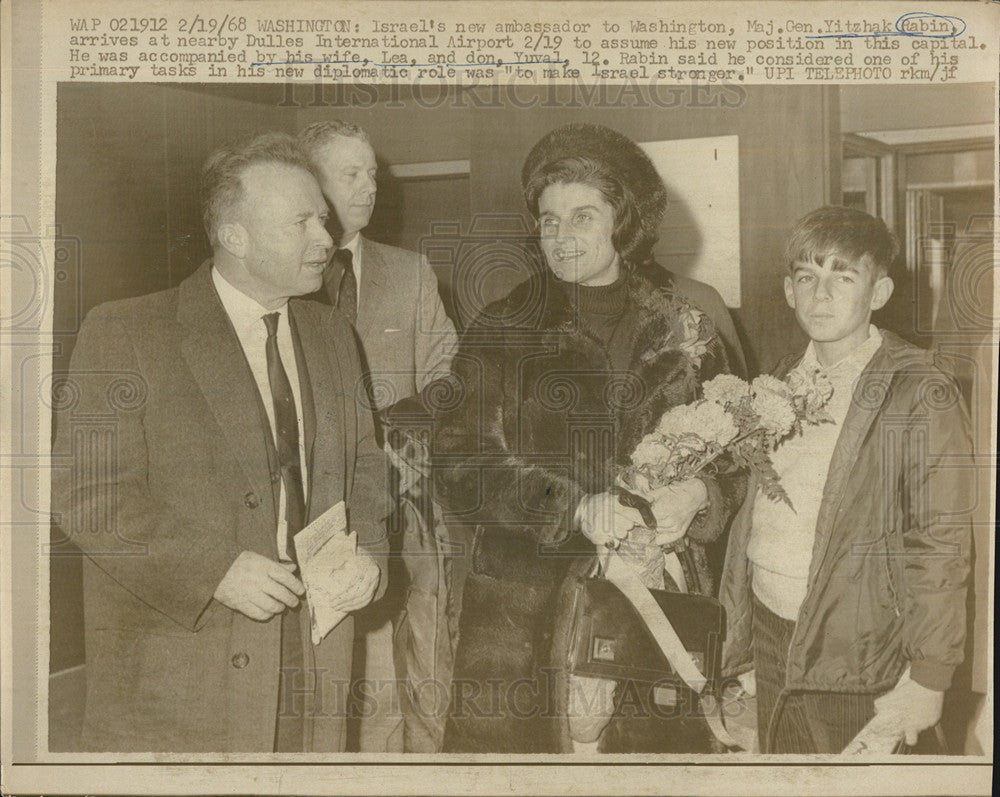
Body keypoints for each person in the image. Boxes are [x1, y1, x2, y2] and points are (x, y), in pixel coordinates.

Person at [51, 132, 388, 752]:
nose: (326, 237)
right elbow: (88, 496)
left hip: (316, 660)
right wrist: (213, 570)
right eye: (303, 222)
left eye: (323, 217)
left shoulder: (333, 334)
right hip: (183, 677)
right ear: (236, 237)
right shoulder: (125, 332)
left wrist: (366, 553)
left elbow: (366, 465)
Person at [432, 124, 744, 753]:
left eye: (582, 217)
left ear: (623, 222)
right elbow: (458, 465)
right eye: (549, 221)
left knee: (648, 767)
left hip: (654, 599)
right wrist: (570, 505)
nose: (562, 237)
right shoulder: (502, 327)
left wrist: (703, 497)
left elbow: (739, 452)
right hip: (526, 612)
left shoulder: (687, 323)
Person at [719, 206, 973, 754]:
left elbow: (940, 542)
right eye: (808, 277)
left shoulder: (920, 390)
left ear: (878, 293)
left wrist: (930, 676)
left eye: (843, 276)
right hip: (770, 626)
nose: (822, 295)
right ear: (789, 290)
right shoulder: (782, 376)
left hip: (858, 645)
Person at [297, 120, 459, 753]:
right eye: (351, 174)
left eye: (373, 174)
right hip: (310, 514)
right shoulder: (284, 280)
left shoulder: (410, 272)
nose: (369, 188)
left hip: (404, 504)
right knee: (334, 682)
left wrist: (409, 426)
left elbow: (452, 374)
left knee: (413, 671)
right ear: (309, 183)